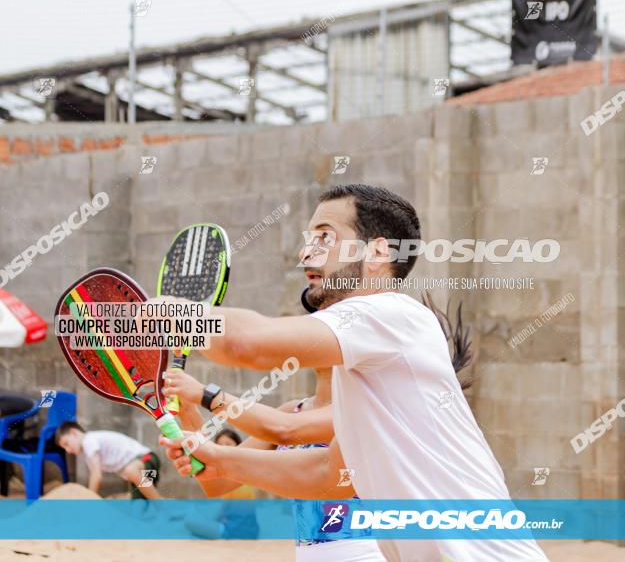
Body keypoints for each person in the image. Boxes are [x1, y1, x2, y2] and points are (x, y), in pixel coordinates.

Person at [159, 183, 548, 561]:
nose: (305, 253)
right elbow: (328, 474)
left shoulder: (390, 313)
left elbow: (246, 344)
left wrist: (155, 313)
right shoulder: (362, 371)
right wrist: (218, 458)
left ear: (378, 251)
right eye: (307, 238)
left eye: (324, 238)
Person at [165, 367, 385, 561]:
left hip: (365, 552)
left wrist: (206, 395)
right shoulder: (292, 410)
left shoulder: (360, 409)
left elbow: (285, 430)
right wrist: (189, 413)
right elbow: (217, 484)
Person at [56, 421, 162, 499]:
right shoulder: (89, 456)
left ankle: (161, 505)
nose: (68, 451)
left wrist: (89, 499)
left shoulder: (89, 440)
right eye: (64, 448)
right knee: (139, 511)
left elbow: (96, 476)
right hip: (144, 478)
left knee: (130, 471)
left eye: (67, 444)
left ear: (74, 432)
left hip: (147, 461)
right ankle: (156, 510)